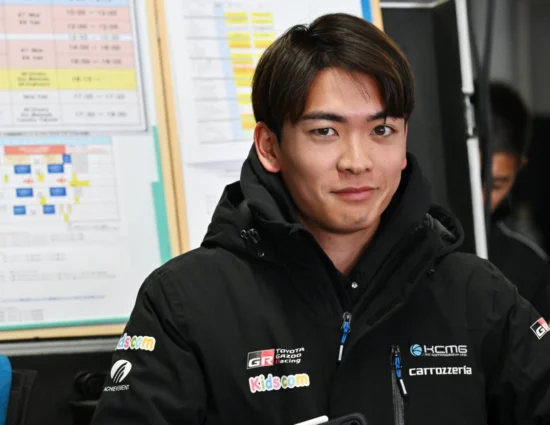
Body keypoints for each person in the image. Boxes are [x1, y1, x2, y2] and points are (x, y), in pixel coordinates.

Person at [91, 14, 550, 425]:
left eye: (382, 130)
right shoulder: (184, 303)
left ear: (404, 140)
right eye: (325, 131)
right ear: (270, 147)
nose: (357, 161)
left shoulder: (478, 296)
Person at [479, 82, 550, 318]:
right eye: (470, 179)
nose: (480, 198)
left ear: (519, 168)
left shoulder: (530, 268)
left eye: (496, 185)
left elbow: (540, 336)